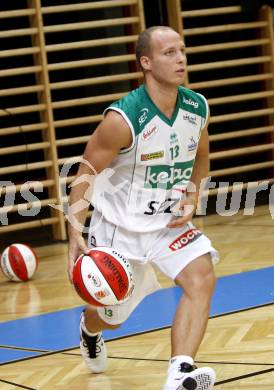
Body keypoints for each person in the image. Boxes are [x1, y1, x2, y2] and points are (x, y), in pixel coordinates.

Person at [68, 25, 218, 390]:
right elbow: (86, 172)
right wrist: (74, 229)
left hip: (168, 224)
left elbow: (201, 156)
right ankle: (90, 329)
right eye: (169, 53)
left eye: (182, 50)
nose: (180, 58)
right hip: (120, 229)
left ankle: (179, 371)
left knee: (201, 277)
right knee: (113, 318)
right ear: (146, 62)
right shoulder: (122, 120)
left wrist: (194, 195)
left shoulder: (196, 107)